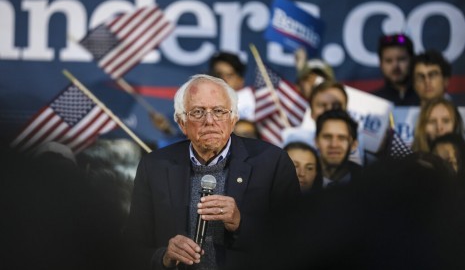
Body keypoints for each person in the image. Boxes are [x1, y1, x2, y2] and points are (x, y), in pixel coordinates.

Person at [124, 74, 301, 270]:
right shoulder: (154, 166)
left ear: (233, 119)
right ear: (182, 123)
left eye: (218, 111)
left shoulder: (272, 162)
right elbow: (132, 248)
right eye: (198, 112)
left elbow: (294, 240)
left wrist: (240, 223)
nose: (209, 121)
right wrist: (163, 256)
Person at [314, 109, 362, 188]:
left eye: (342, 138)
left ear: (354, 144)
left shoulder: (369, 182)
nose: (334, 144)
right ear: (316, 142)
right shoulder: (297, 180)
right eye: (327, 137)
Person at [372, 33, 420, 105]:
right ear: (381, 64)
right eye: (389, 61)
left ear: (412, 60)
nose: (395, 66)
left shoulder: (426, 99)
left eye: (401, 59)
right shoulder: (373, 101)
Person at [209, 51, 255, 121]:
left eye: (229, 75)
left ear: (240, 81)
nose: (223, 79)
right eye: (219, 74)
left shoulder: (254, 101)